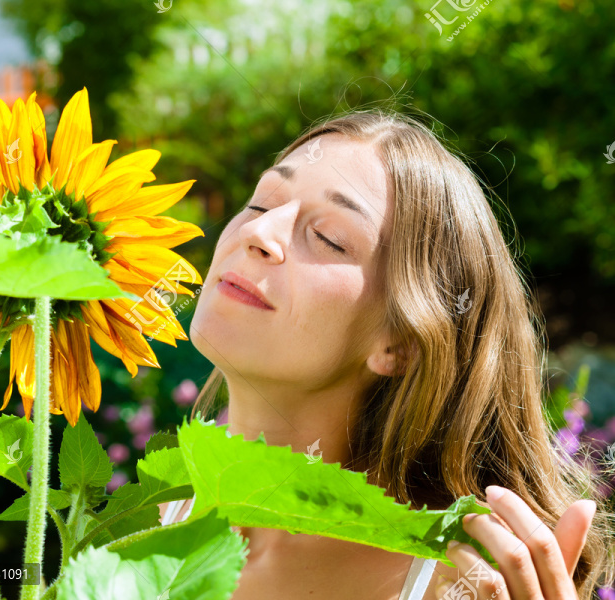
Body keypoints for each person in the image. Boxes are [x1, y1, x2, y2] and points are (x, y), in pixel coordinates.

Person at [158, 109, 614, 600]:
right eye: (262, 204)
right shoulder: (159, 512)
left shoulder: (453, 583)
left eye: (329, 238)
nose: (259, 234)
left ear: (400, 344)